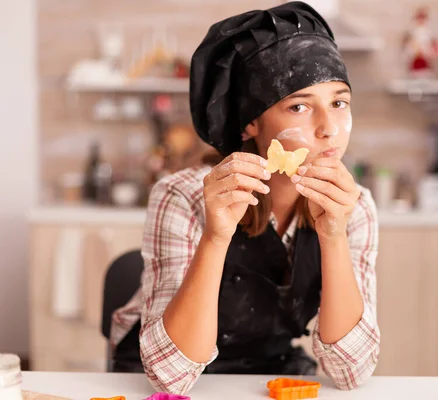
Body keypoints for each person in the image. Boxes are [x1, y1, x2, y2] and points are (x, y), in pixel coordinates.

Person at [110, 1, 380, 395]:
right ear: (251, 122)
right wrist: (216, 237)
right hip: (155, 378)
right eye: (300, 106)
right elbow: (171, 380)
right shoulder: (181, 195)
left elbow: (351, 375)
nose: (328, 130)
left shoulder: (353, 206)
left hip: (268, 375)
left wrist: (334, 235)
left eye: (339, 103)